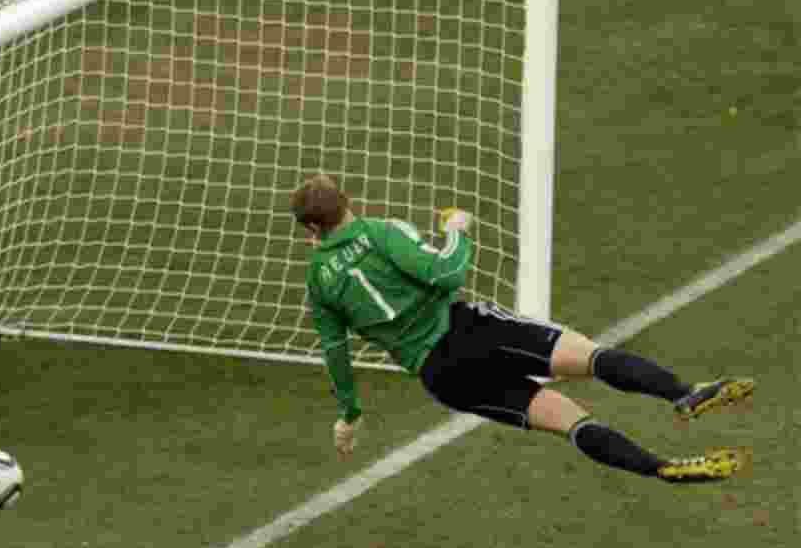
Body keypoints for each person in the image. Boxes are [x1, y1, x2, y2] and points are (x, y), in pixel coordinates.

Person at [290, 173, 754, 483]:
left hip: (441, 377)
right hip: (468, 330)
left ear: (310, 229)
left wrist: (349, 415)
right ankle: (682, 393)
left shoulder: (317, 282)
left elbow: (336, 353)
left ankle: (663, 468)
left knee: (568, 420)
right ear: (345, 203)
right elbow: (447, 273)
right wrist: (458, 229)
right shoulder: (382, 232)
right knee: (589, 357)